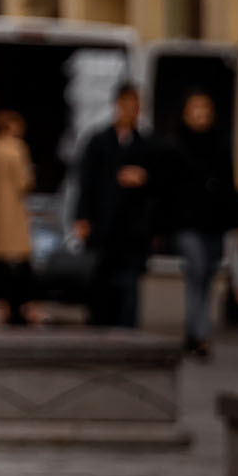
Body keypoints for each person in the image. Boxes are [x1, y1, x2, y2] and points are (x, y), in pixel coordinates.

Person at [160, 90, 238, 358]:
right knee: (196, 268)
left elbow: (229, 185)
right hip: (186, 223)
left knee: (206, 276)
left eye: (205, 108)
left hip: (213, 222)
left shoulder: (219, 143)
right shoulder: (175, 144)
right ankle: (200, 334)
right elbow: (168, 189)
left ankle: (194, 330)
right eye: (196, 108)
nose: (201, 114)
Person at [76, 81, 155, 328]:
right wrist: (82, 217)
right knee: (101, 278)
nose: (131, 110)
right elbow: (86, 182)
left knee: (130, 282)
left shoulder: (146, 145)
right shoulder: (99, 141)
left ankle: (126, 328)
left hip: (134, 227)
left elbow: (159, 185)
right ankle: (99, 324)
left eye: (136, 105)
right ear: (117, 106)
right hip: (104, 223)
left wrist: (144, 178)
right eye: (127, 104)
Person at [0, 109, 36, 325]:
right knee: (20, 261)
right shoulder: (17, 149)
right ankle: (23, 305)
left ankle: (2, 305)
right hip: (13, 211)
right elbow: (25, 182)